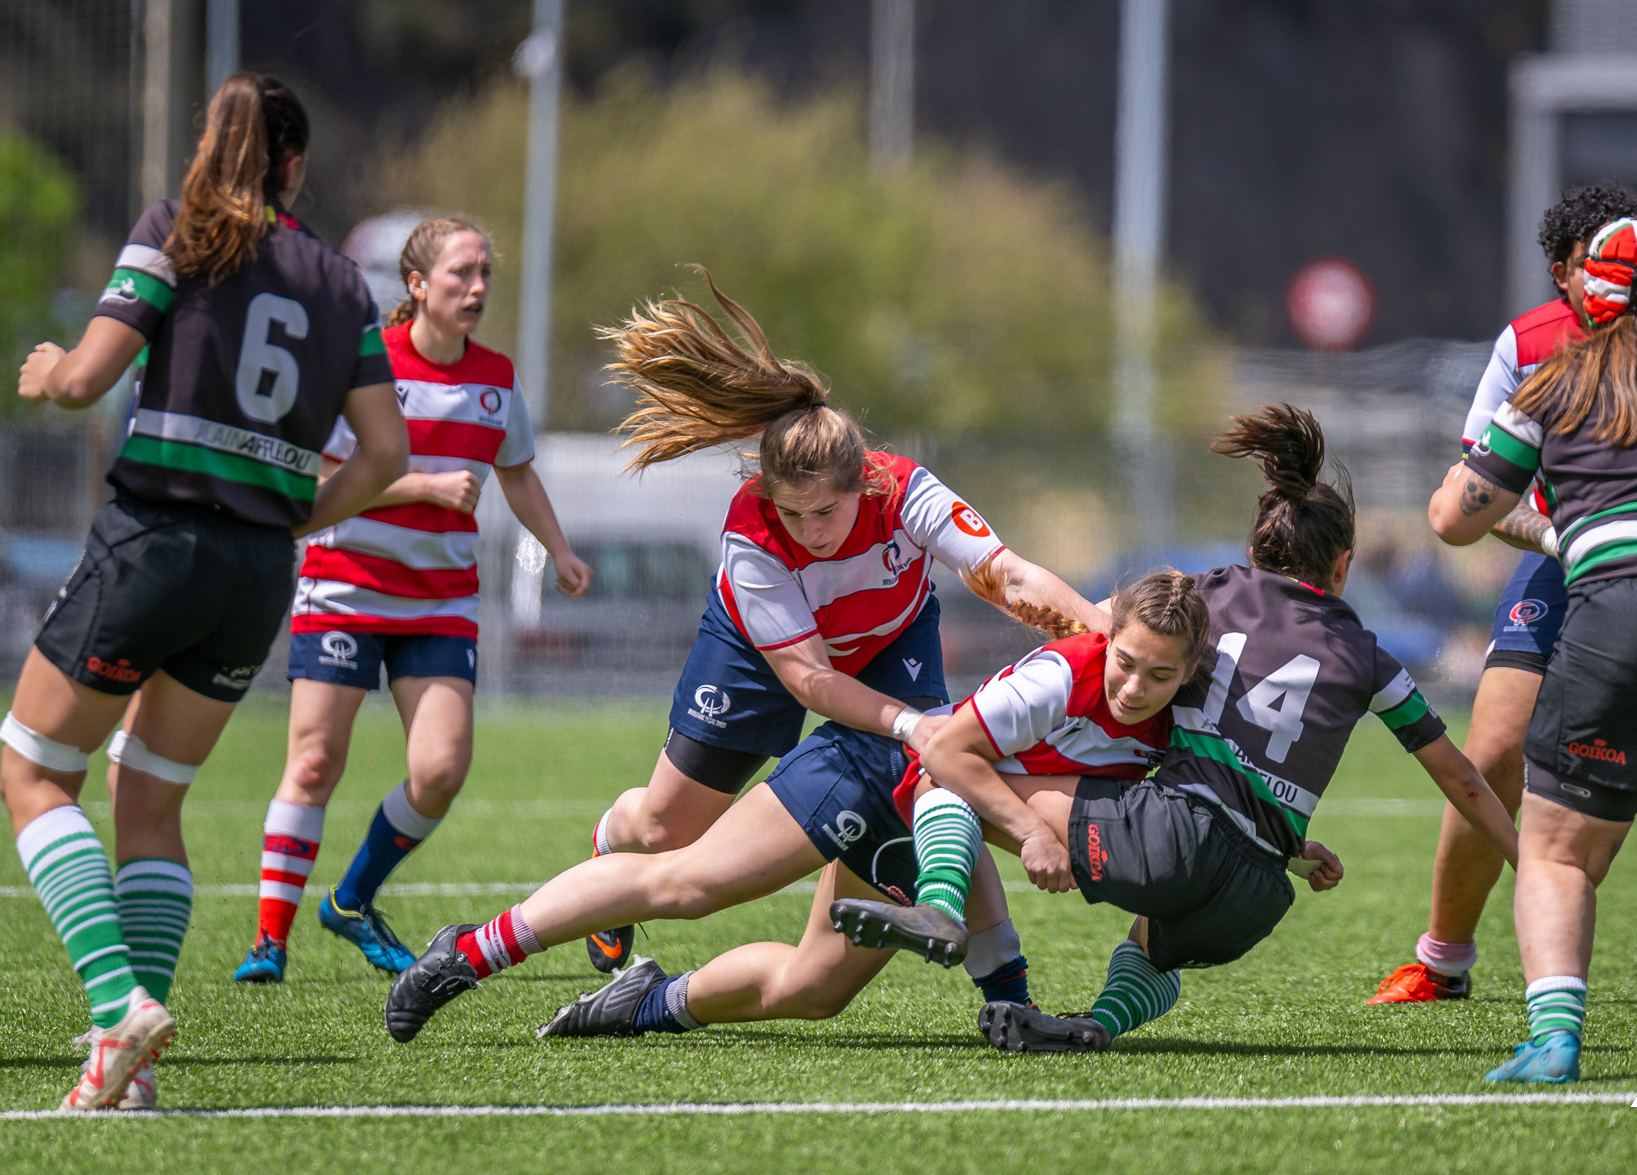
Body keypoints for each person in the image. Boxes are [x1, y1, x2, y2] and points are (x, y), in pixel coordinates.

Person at [838, 405, 1521, 1053]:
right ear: (1341, 567)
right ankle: (1102, 1023)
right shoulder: (1374, 658)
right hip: (1256, 900)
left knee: (947, 772)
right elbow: (1462, 777)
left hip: (1170, 841)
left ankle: (937, 907)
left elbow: (1106, 626)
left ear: (1254, 551)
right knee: (1149, 943)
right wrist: (1529, 862)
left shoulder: (1212, 592)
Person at [3, 75, 407, 1110]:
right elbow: (384, 455)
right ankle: (124, 1079)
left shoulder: (177, 233)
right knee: (152, 801)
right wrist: (285, 517)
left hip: (155, 545)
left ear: (209, 149)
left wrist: (47, 370)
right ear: (294, 166)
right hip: (257, 575)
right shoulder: (340, 282)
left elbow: (91, 376)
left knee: (34, 773)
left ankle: (115, 1005)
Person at [378, 571, 1186, 1044]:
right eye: (1125, 663)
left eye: (1158, 676)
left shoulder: (1178, 723)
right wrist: (1030, 841)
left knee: (813, 991)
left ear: (1189, 675)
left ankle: (642, 1003)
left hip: (930, 818)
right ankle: (469, 953)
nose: (1133, 686)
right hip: (876, 766)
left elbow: (968, 827)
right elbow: (946, 763)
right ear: (1107, 640)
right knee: (686, 883)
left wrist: (1008, 997)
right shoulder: (1064, 675)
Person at [574, 272, 1102, 973]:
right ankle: (611, 842)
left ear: (863, 483)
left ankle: (1007, 989)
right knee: (665, 828)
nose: (810, 530)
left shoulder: (907, 491)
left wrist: (1108, 639)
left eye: (825, 511)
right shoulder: (750, 535)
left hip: (890, 642)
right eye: (793, 513)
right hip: (765, 659)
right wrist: (911, 723)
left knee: (938, 772)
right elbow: (812, 680)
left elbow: (1007, 575)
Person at [1370, 184, 1637, 1005]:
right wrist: (1560, 536)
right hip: (1575, 551)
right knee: (1494, 750)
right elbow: (1484, 494)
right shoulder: (1530, 344)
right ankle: (1443, 958)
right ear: (1567, 271)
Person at [231, 218, 593, 984]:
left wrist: (558, 551)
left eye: (486, 272)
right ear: (418, 287)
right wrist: (421, 484)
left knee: (440, 771)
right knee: (315, 760)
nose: (479, 288)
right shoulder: (366, 367)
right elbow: (323, 474)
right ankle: (269, 941)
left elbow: (517, 471)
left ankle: (352, 899)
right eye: (461, 273)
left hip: (439, 603)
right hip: (347, 587)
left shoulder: (495, 378)